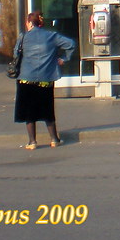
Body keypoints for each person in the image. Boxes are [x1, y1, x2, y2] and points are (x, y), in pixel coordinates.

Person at [13, 10, 76, 149]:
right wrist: (63, 59)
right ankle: (54, 139)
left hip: (26, 78)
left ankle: (32, 142)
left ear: (29, 23)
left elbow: (15, 54)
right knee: (47, 110)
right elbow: (71, 44)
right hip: (46, 78)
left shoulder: (23, 37)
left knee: (29, 112)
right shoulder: (52, 36)